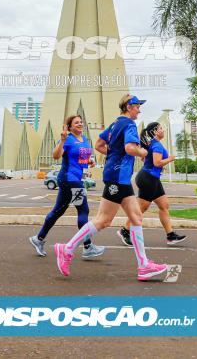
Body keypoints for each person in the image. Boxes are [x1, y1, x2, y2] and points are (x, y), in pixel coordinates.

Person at [54, 95, 168, 281]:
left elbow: (99, 145)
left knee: (136, 217)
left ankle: (144, 265)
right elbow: (131, 148)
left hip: (119, 177)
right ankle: (66, 249)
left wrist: (115, 154)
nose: (139, 110)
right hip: (118, 177)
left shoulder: (115, 124)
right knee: (103, 220)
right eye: (138, 106)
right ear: (129, 107)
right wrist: (143, 152)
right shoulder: (130, 124)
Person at [29, 114, 105, 260]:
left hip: (75, 179)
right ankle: (88, 247)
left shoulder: (85, 140)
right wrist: (62, 140)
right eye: (76, 122)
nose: (80, 124)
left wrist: (89, 161)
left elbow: (80, 158)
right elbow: (56, 156)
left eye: (81, 122)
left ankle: (38, 239)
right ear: (69, 127)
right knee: (83, 209)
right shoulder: (68, 139)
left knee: (58, 211)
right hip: (68, 179)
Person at [118, 122, 187, 247]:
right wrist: (170, 159)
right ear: (155, 131)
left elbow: (145, 159)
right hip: (148, 179)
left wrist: (157, 166)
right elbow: (157, 163)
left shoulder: (152, 144)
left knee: (164, 205)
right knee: (142, 208)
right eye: (161, 128)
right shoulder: (156, 145)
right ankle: (125, 230)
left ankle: (170, 235)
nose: (163, 130)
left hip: (152, 178)